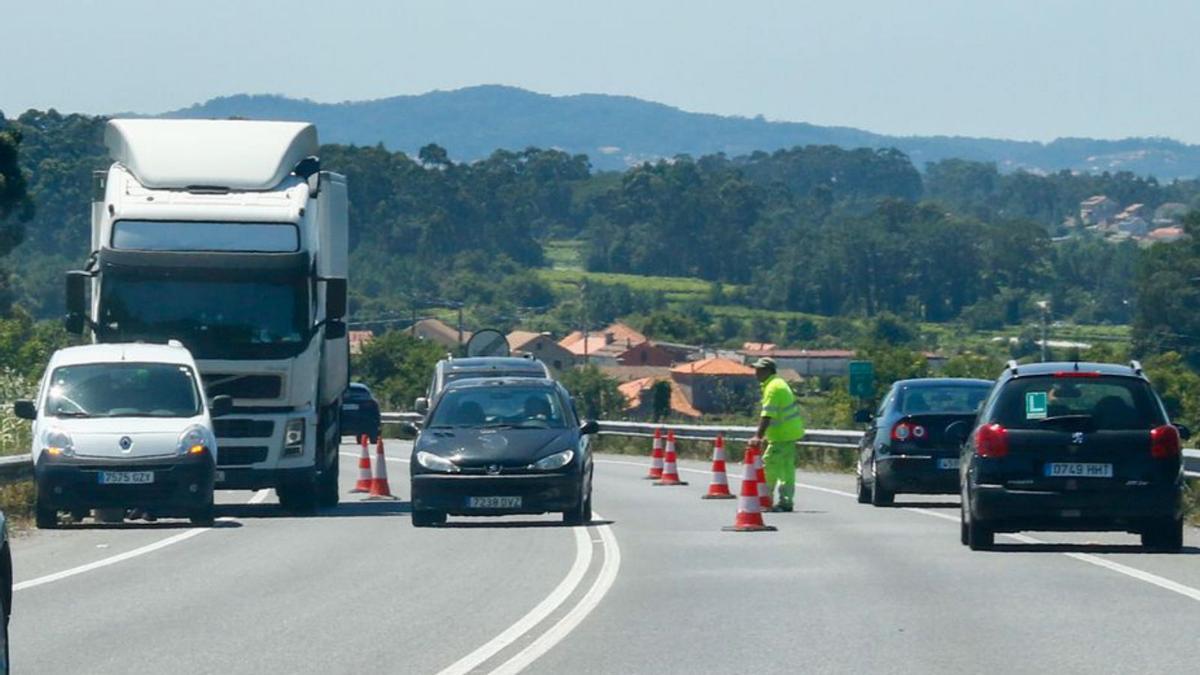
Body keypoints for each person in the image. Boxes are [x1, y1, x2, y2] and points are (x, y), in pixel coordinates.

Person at [749, 357, 806, 512]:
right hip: (789, 433)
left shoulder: (773, 388)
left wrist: (758, 437)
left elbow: (767, 415)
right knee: (786, 469)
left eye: (759, 370)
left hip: (781, 436)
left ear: (768, 371)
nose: (756, 373)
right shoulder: (779, 384)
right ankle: (786, 501)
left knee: (770, 466)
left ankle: (765, 500)